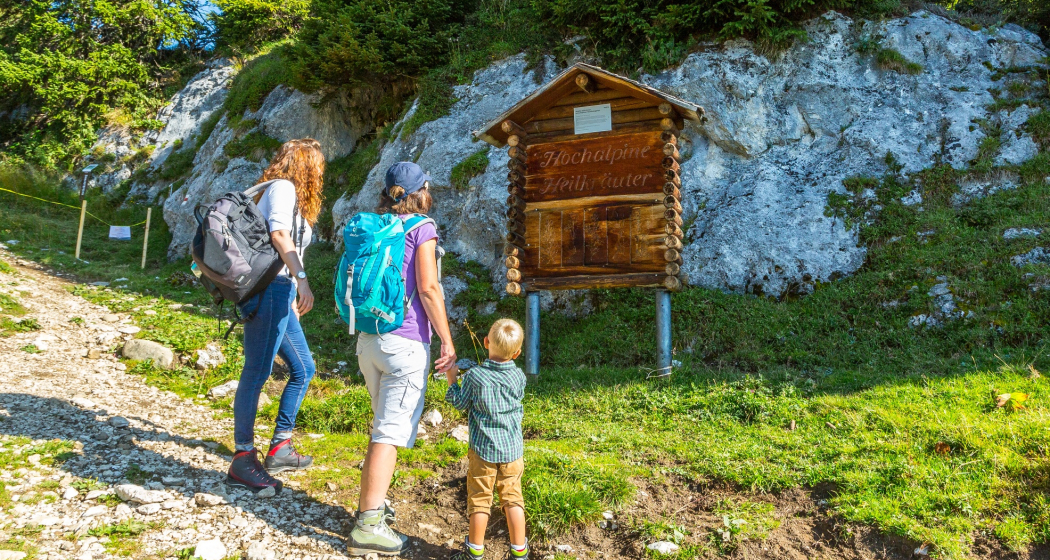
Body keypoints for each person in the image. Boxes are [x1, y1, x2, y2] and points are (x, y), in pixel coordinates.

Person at [349, 162, 459, 555]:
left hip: (368, 340)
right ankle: (368, 527)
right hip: (405, 344)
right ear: (422, 190)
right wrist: (447, 341)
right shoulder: (421, 228)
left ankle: (372, 508)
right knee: (389, 435)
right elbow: (429, 288)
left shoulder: (376, 224)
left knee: (382, 428)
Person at [226, 139, 324, 496]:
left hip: (277, 292)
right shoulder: (283, 188)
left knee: (303, 368)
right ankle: (242, 458)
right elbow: (279, 235)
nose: (321, 173)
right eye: (318, 165)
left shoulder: (283, 193)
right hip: (270, 290)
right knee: (257, 370)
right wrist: (302, 281)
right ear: (306, 166)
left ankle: (280, 447)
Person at [445, 319, 529, 560]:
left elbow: (460, 403)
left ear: (486, 342)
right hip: (513, 451)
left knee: (480, 500)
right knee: (513, 499)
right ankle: (519, 552)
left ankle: (474, 552)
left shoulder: (475, 377)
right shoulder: (519, 377)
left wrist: (453, 378)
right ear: (517, 352)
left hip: (483, 452)